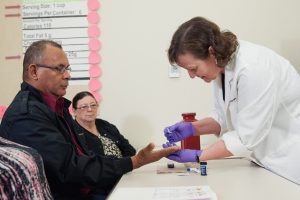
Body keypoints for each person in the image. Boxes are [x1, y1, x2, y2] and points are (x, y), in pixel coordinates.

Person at [0, 40, 180, 200]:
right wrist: (135, 161)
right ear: (34, 71)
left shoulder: (55, 107)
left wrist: (133, 161)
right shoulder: (27, 115)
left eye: (67, 69)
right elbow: (70, 169)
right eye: (59, 68)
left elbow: (83, 157)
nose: (67, 75)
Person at [163, 16, 300, 185]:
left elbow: (245, 138)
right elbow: (223, 118)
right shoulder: (221, 67)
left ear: (211, 52)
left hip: (290, 162)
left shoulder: (254, 69)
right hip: (264, 161)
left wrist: (198, 155)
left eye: (193, 69)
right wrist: (193, 128)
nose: (192, 76)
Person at [72, 91, 136, 158]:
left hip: (125, 165)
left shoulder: (105, 125)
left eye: (93, 105)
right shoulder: (72, 133)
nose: (90, 109)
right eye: (84, 106)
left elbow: (130, 150)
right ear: (74, 111)